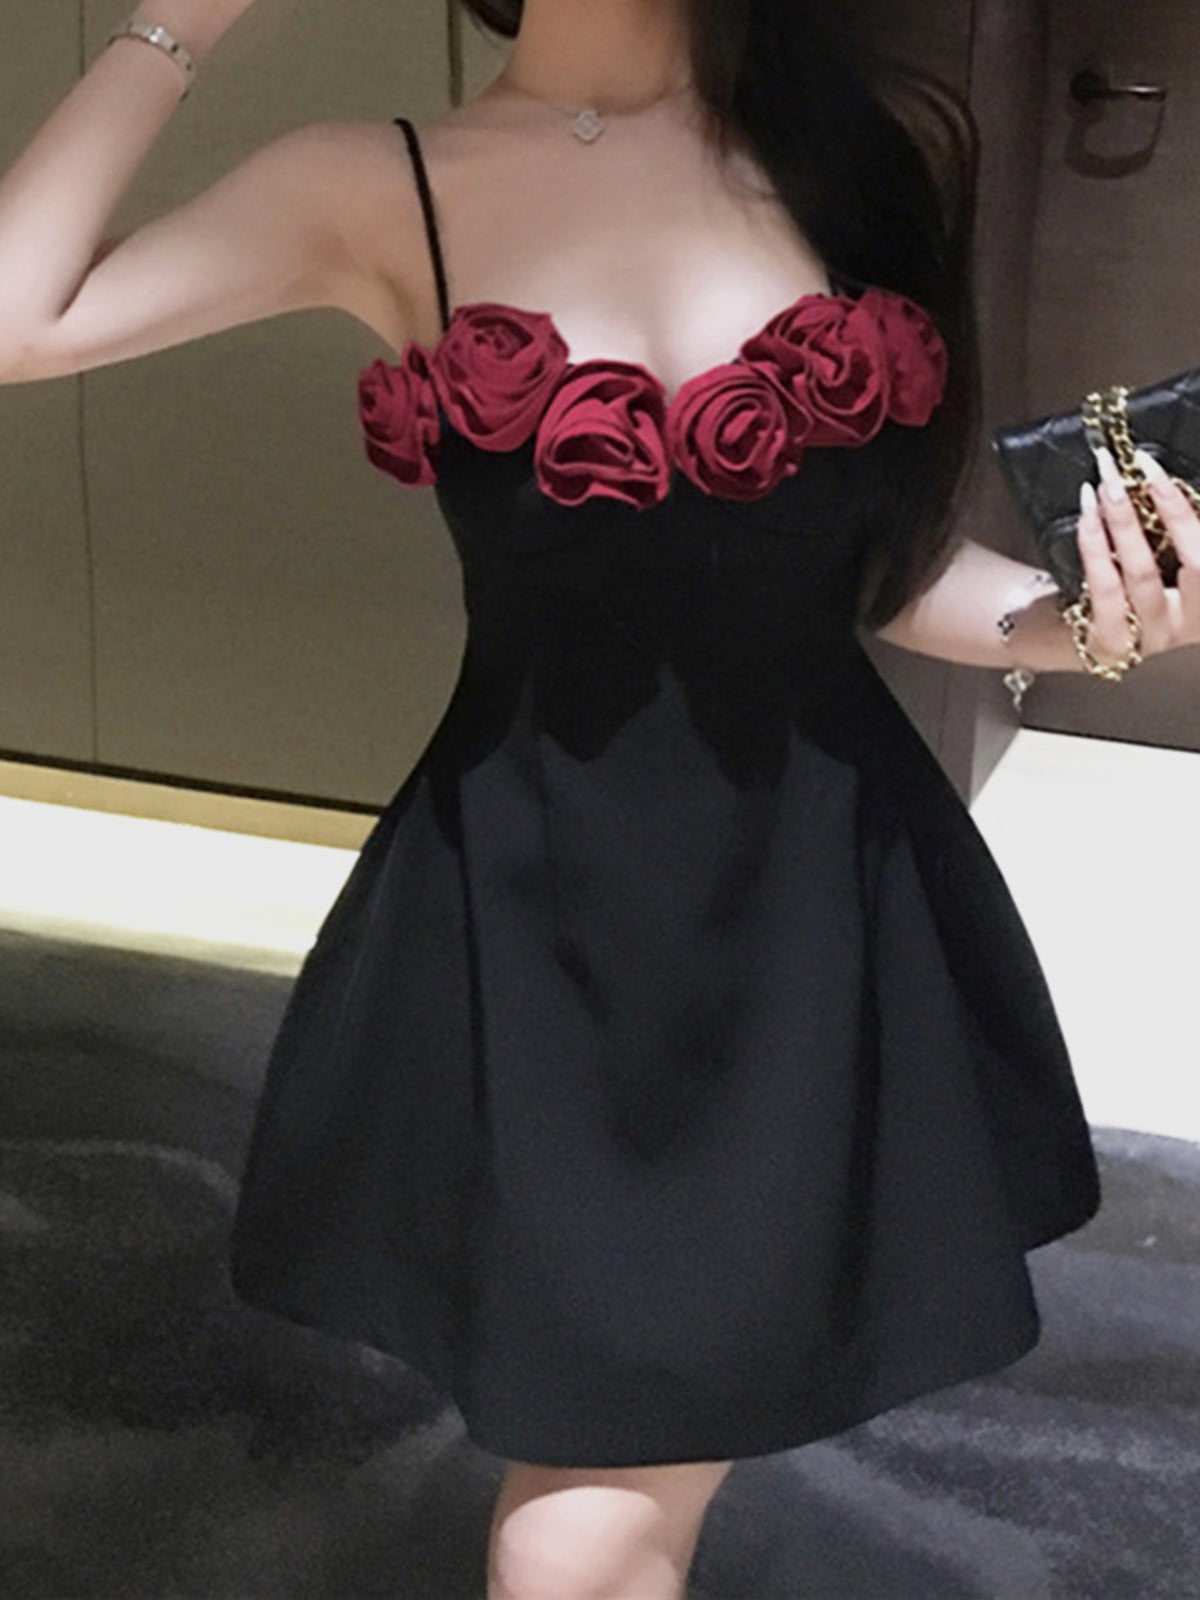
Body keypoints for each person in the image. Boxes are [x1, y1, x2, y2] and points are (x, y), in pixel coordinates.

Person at [2, 1, 1198, 1596]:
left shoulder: (865, 153)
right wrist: (178, 21)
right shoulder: (375, 184)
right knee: (588, 1520)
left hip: (811, 911)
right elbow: (22, 319)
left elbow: (893, 573)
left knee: (596, 1520)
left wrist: (1099, 623)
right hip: (534, 924)